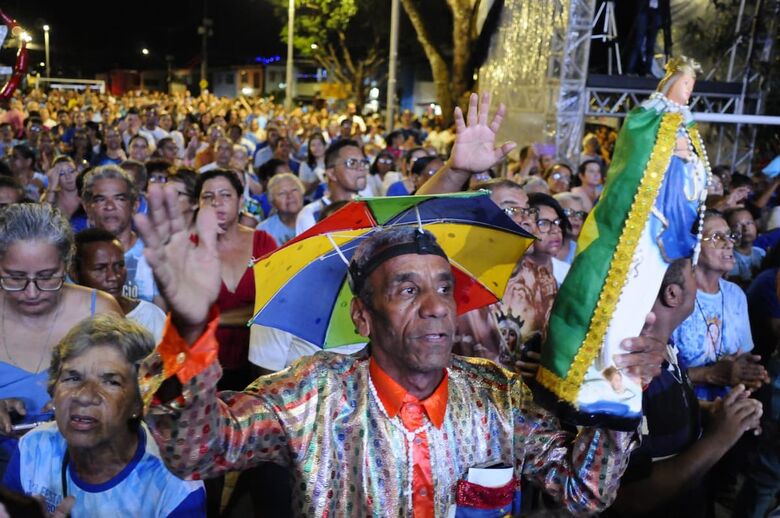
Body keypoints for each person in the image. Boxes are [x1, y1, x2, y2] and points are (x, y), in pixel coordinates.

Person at [133, 176, 667, 516]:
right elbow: (195, 450)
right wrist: (189, 325)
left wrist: (616, 395)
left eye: (443, 287)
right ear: (363, 315)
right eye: (408, 290)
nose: (437, 306)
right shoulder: (311, 396)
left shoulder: (493, 395)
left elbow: (583, 493)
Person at [540, 57, 711, 427]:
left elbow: (695, 181)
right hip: (639, 230)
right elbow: (633, 166)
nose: (688, 93)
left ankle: (616, 371)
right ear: (670, 83)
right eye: (684, 85)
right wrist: (668, 151)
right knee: (617, 302)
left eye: (691, 88)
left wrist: (687, 162)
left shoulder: (685, 126)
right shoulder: (647, 117)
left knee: (637, 309)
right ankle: (607, 369)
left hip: (662, 236)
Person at [2, 314, 206, 517]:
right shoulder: (33, 449)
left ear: (139, 401)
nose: (84, 395)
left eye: (111, 382)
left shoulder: (174, 486)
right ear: (53, 389)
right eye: (72, 378)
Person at [607, 259, 762, 517]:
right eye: (693, 271)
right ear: (672, 294)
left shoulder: (665, 347)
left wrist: (713, 413)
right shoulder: (630, 369)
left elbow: (660, 418)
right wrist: (719, 438)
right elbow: (631, 498)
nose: (699, 276)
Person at [0, 204, 120, 477]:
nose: (31, 293)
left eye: (47, 277)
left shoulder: (98, 311)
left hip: (82, 471)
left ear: (66, 265)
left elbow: (133, 394)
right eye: (15, 278)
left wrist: (86, 404)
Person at [194, 169, 277, 391]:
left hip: (259, 366)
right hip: (203, 368)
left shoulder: (263, 242)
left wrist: (213, 319)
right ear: (199, 205)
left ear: (240, 201)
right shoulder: (189, 248)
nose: (216, 203)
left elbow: (273, 307)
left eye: (225, 195)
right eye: (208, 197)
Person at [672, 212, 769, 401]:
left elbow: (742, 354)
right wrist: (708, 373)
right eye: (717, 237)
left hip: (726, 403)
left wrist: (746, 371)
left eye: (729, 235)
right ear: (693, 245)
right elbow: (657, 377)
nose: (729, 243)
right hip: (680, 407)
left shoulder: (735, 295)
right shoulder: (674, 295)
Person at [81, 165, 163, 307]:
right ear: (87, 207)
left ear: (134, 206)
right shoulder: (74, 257)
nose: (110, 206)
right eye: (100, 199)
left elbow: (163, 320)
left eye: (119, 199)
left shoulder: (155, 255)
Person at [71, 228, 166, 342]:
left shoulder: (149, 316)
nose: (113, 277)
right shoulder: (65, 320)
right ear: (74, 274)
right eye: (100, 269)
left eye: (119, 265)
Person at [295, 139, 369, 235]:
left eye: (364, 162)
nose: (361, 168)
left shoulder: (370, 207)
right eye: (352, 163)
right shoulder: (311, 215)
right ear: (332, 173)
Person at [257, 173, 304, 246]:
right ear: (272, 201)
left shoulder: (317, 218)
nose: (290, 196)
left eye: (294, 190)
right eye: (282, 193)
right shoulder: (264, 231)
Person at [725, 207, 765, 288]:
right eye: (737, 225)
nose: (745, 228)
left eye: (749, 223)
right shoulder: (729, 257)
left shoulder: (760, 252)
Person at [554, 192, 588, 264]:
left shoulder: (581, 253)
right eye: (569, 212)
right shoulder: (542, 247)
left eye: (580, 214)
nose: (576, 218)